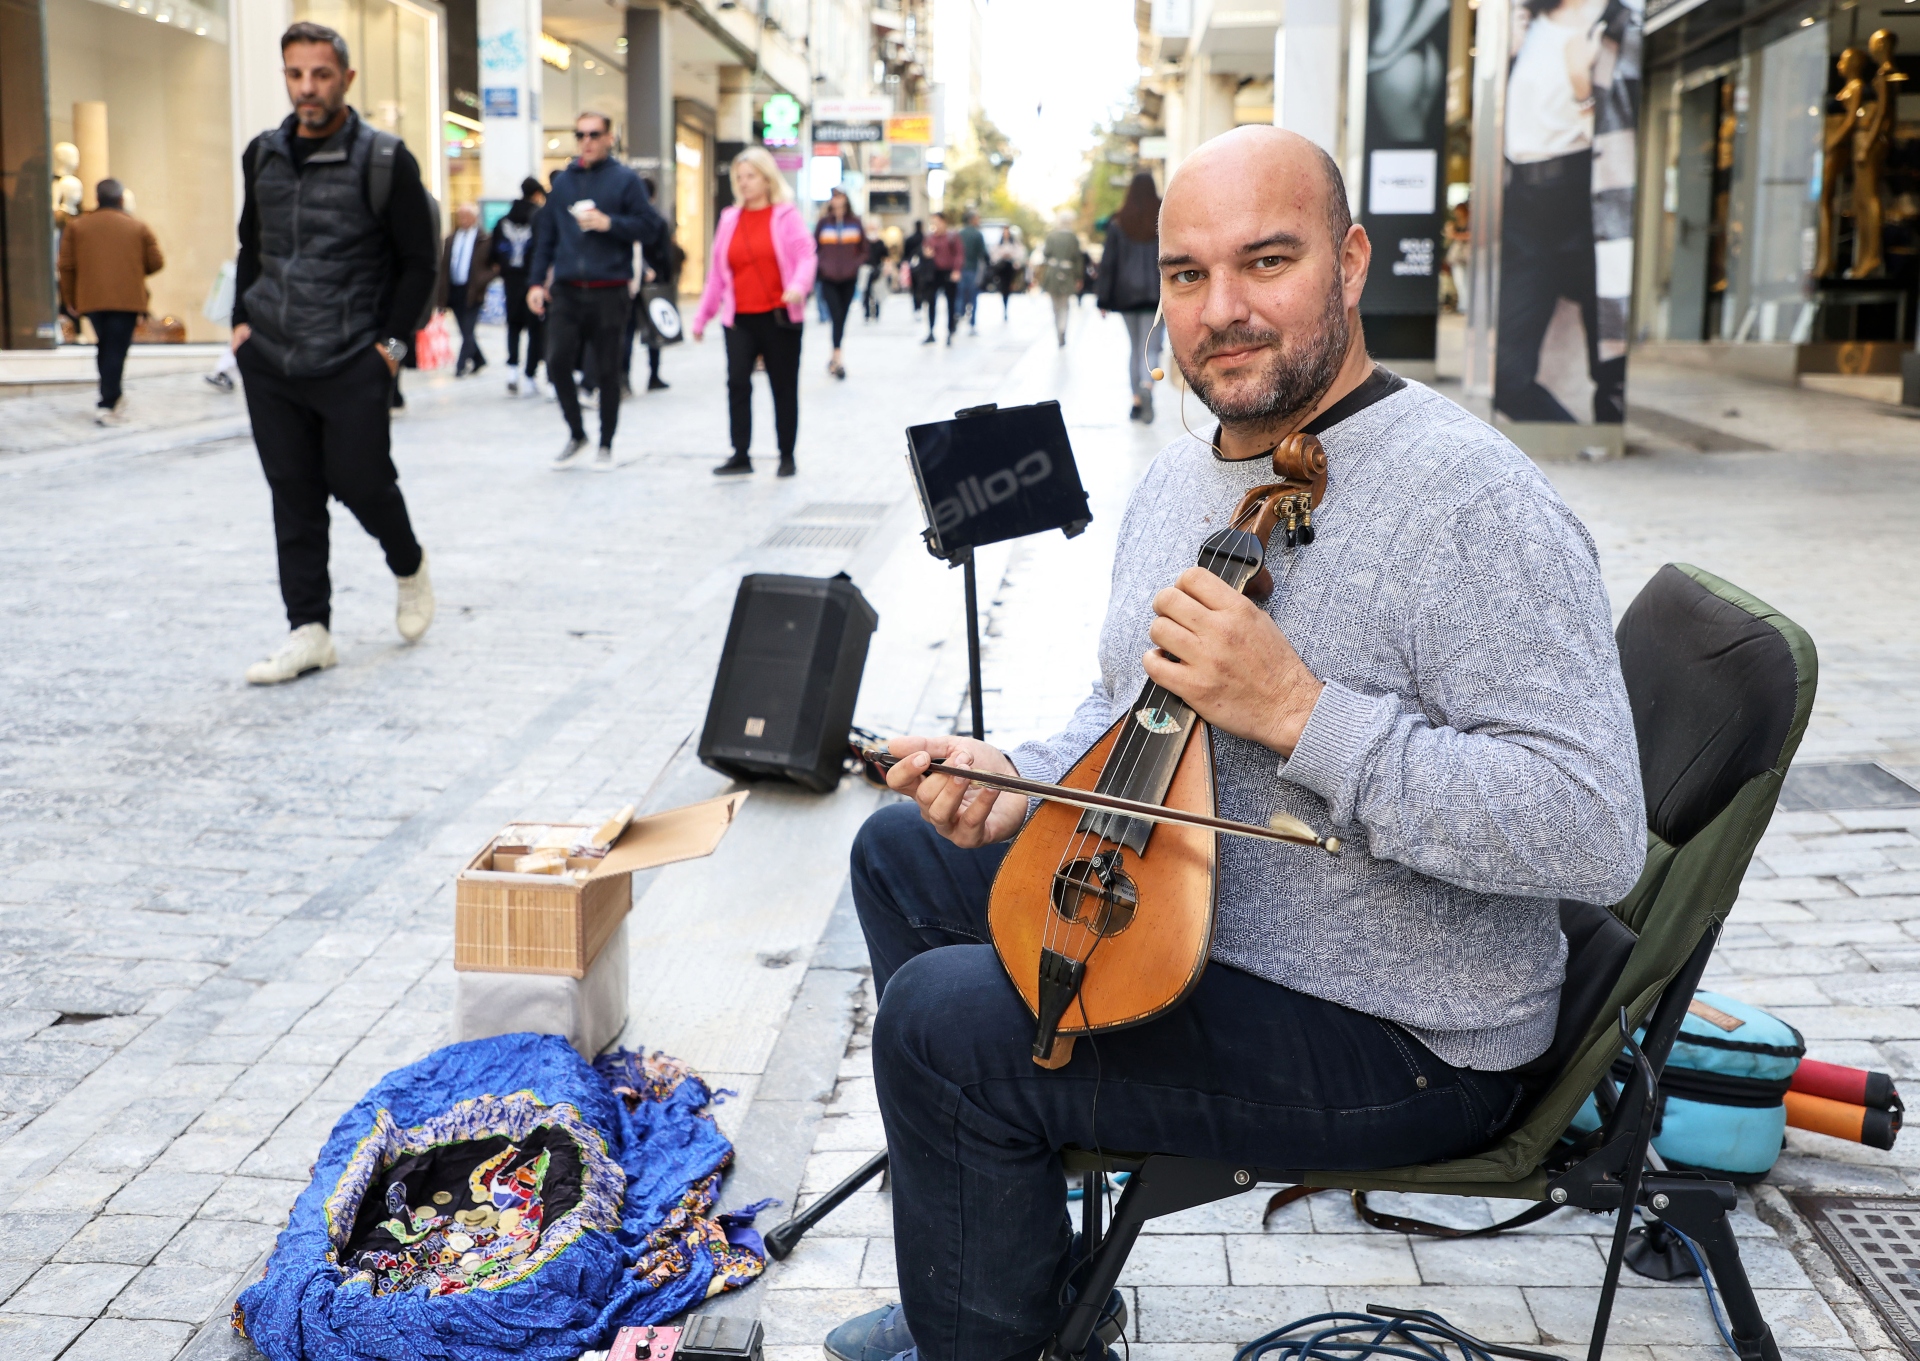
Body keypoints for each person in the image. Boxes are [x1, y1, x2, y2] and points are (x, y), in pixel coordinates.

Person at [820, 124, 1645, 1361]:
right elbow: (1128, 714)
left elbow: (1591, 826)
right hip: (1209, 914)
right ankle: (997, 1273)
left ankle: (984, 1322)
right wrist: (1020, 777)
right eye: (1190, 275)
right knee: (900, 854)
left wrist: (1304, 714)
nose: (1225, 309)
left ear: (1353, 262)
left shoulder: (1473, 501)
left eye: (1268, 260)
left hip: (1405, 1024)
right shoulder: (1182, 480)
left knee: (942, 1027)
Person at [231, 21, 438, 686]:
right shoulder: (262, 154)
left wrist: (391, 345)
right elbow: (251, 247)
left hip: (351, 352)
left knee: (360, 478)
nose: (307, 88)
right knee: (292, 490)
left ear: (346, 79)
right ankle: (310, 629)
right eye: (295, 74)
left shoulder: (384, 160)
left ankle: (407, 563)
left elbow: (417, 261)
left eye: (320, 74)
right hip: (272, 354)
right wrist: (241, 325)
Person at [527, 110, 668, 472]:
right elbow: (546, 238)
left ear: (609, 138)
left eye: (593, 134)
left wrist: (610, 224)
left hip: (610, 289)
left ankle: (606, 442)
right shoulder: (564, 185)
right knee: (556, 361)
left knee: (607, 370)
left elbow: (651, 227)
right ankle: (577, 432)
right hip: (568, 289)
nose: (586, 141)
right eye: (580, 135)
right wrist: (535, 282)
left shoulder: (625, 181)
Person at [1494, 0, 1615, 422]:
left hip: (1586, 194)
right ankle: (1562, 435)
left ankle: (1602, 444)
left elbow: (1622, 137)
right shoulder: (1523, 24)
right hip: (1525, 203)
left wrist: (1582, 85)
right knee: (1507, 378)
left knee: (1612, 369)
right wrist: (1505, 54)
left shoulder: (1614, 19)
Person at [690, 146, 817, 478]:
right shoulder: (729, 218)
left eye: (751, 176)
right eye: (739, 177)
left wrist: (798, 287)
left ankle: (786, 455)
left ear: (767, 178)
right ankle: (740, 454)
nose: (744, 183)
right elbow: (717, 274)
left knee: (783, 386)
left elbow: (807, 255)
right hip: (739, 318)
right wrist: (703, 316)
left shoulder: (786, 216)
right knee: (736, 384)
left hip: (779, 316)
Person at [58, 178, 163, 426]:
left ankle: (109, 398)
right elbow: (157, 262)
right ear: (121, 200)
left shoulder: (77, 226)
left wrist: (70, 298)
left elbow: (66, 266)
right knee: (116, 348)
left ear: (97, 199)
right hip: (127, 299)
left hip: (91, 299)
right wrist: (133, 269)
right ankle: (108, 401)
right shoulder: (138, 227)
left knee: (105, 345)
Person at [1097, 172, 1165, 422]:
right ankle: (1148, 386)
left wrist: (1103, 299)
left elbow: (1108, 263)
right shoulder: (1162, 217)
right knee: (1152, 346)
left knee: (1135, 347)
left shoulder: (1118, 222)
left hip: (1125, 295)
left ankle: (1136, 400)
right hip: (1156, 294)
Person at [491, 176, 546, 395]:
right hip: (533, 280)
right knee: (535, 329)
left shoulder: (504, 221)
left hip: (511, 282)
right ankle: (530, 375)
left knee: (513, 325)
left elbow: (496, 251)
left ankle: (512, 370)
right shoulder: (538, 218)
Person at [814, 187, 865, 379]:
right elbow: (814, 248)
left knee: (842, 317)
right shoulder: (824, 223)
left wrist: (854, 264)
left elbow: (864, 249)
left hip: (849, 278)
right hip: (828, 279)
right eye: (834, 197)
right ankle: (837, 357)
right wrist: (823, 265)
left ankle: (834, 355)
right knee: (835, 315)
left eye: (840, 196)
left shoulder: (855, 222)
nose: (837, 200)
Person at [439, 202, 493, 376]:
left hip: (473, 290)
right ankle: (479, 359)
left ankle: (460, 365)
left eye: (466, 216)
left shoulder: (484, 239)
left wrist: (482, 280)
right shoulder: (451, 239)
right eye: (460, 216)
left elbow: (493, 267)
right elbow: (445, 267)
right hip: (455, 289)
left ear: (474, 217)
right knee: (464, 329)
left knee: (468, 329)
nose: (463, 220)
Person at [1038, 210, 1084, 347]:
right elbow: (1078, 259)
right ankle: (1063, 328)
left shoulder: (1051, 236)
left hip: (1052, 274)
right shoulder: (1073, 238)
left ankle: (1058, 330)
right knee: (1065, 305)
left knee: (1055, 306)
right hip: (1068, 274)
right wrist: (1079, 277)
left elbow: (1046, 253)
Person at [920, 212, 963, 346]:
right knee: (931, 303)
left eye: (937, 222)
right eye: (933, 222)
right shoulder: (929, 238)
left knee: (950, 303)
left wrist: (956, 270)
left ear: (943, 222)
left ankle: (950, 331)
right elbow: (923, 252)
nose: (935, 225)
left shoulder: (952, 236)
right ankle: (931, 331)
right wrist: (925, 254)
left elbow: (959, 254)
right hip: (933, 273)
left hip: (948, 273)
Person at [957, 209, 988, 334]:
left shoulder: (960, 233)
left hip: (960, 269)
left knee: (960, 296)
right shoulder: (977, 234)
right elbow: (983, 254)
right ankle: (972, 323)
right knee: (973, 297)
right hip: (972, 269)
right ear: (973, 219)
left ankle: (958, 316)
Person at [989, 225, 1025, 321]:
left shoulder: (1014, 244)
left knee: (1008, 288)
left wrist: (1011, 256)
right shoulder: (998, 244)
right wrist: (1002, 255)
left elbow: (1020, 254)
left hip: (1010, 269)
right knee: (1003, 288)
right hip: (1001, 269)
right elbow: (993, 256)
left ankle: (1006, 306)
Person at [862, 223, 891, 321]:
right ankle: (867, 313)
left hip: (878, 269)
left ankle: (876, 313)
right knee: (866, 292)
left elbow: (886, 257)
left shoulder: (880, 243)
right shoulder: (864, 243)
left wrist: (887, 268)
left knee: (877, 292)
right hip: (866, 270)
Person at [903, 219, 926, 316]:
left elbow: (905, 254)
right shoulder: (925, 238)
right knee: (921, 287)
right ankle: (920, 305)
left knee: (915, 287)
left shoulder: (910, 239)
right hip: (923, 267)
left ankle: (917, 307)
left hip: (913, 266)